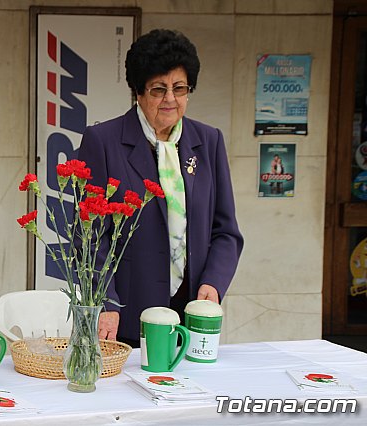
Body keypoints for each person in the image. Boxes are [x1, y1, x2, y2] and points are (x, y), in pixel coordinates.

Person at [77, 29, 243, 348]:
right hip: (126, 316)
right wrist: (105, 302)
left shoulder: (208, 142)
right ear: (138, 92)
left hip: (192, 314)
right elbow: (89, 236)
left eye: (179, 89)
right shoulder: (104, 142)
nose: (170, 99)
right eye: (159, 89)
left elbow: (226, 231)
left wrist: (214, 282)